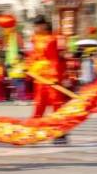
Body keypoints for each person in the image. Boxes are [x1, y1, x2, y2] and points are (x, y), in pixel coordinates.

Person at [28, 15, 68, 144]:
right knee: (39, 105)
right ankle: (32, 133)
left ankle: (60, 133)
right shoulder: (34, 39)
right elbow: (33, 55)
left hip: (50, 77)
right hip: (38, 77)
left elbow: (54, 59)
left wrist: (55, 76)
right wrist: (28, 67)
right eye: (34, 25)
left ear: (44, 25)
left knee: (57, 105)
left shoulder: (52, 39)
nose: (35, 28)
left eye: (37, 25)